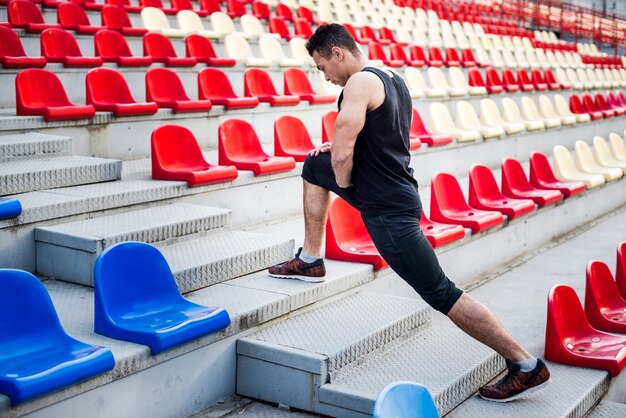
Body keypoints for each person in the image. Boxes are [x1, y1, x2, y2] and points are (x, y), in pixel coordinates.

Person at [268, 24, 550, 402]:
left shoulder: (357, 85)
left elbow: (341, 155)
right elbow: (379, 139)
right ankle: (311, 258)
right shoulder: (391, 77)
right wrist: (338, 157)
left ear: (337, 53)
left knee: (441, 293)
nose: (325, 77)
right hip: (398, 194)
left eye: (322, 67)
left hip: (387, 211)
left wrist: (348, 180)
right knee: (312, 167)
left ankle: (525, 364)